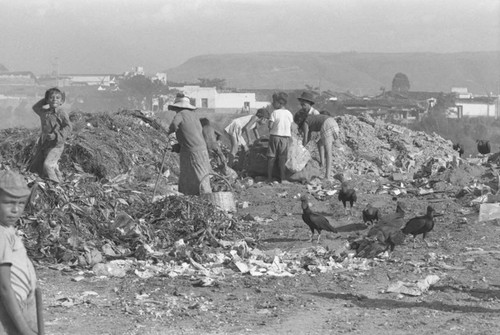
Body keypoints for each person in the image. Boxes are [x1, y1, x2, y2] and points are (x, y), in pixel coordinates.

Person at [0, 170, 41, 335]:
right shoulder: (1, 235)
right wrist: (25, 330)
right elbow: (3, 287)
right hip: (11, 308)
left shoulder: (7, 229)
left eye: (21, 203)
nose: (15, 210)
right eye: (9, 202)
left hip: (22, 302)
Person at [168, 94, 212, 195]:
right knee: (202, 174)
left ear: (177, 107)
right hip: (201, 149)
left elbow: (174, 125)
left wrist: (170, 134)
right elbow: (190, 134)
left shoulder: (180, 114)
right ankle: (197, 196)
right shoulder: (194, 116)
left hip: (192, 152)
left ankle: (203, 197)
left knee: (194, 175)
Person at [31, 87, 72, 183]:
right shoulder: (44, 113)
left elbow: (68, 127)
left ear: (61, 101)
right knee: (54, 166)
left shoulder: (61, 113)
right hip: (45, 144)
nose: (54, 100)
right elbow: (35, 107)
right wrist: (46, 100)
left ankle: (55, 185)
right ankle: (61, 183)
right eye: (51, 98)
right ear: (47, 100)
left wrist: (56, 135)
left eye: (58, 98)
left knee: (47, 165)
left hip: (57, 145)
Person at [294, 112, 340, 180]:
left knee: (328, 152)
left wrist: (301, 149)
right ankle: (322, 163)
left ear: (299, 120)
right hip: (333, 122)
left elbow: (305, 138)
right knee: (320, 143)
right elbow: (308, 138)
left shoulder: (305, 123)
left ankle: (327, 176)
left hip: (327, 125)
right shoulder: (310, 120)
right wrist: (304, 146)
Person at [267, 92, 294, 183]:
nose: (272, 103)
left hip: (274, 136)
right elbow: (292, 127)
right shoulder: (289, 113)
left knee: (271, 157)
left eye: (274, 102)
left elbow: (270, 126)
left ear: (280, 103)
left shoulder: (274, 113)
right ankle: (283, 178)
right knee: (283, 158)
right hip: (285, 138)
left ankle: (269, 178)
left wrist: (270, 125)